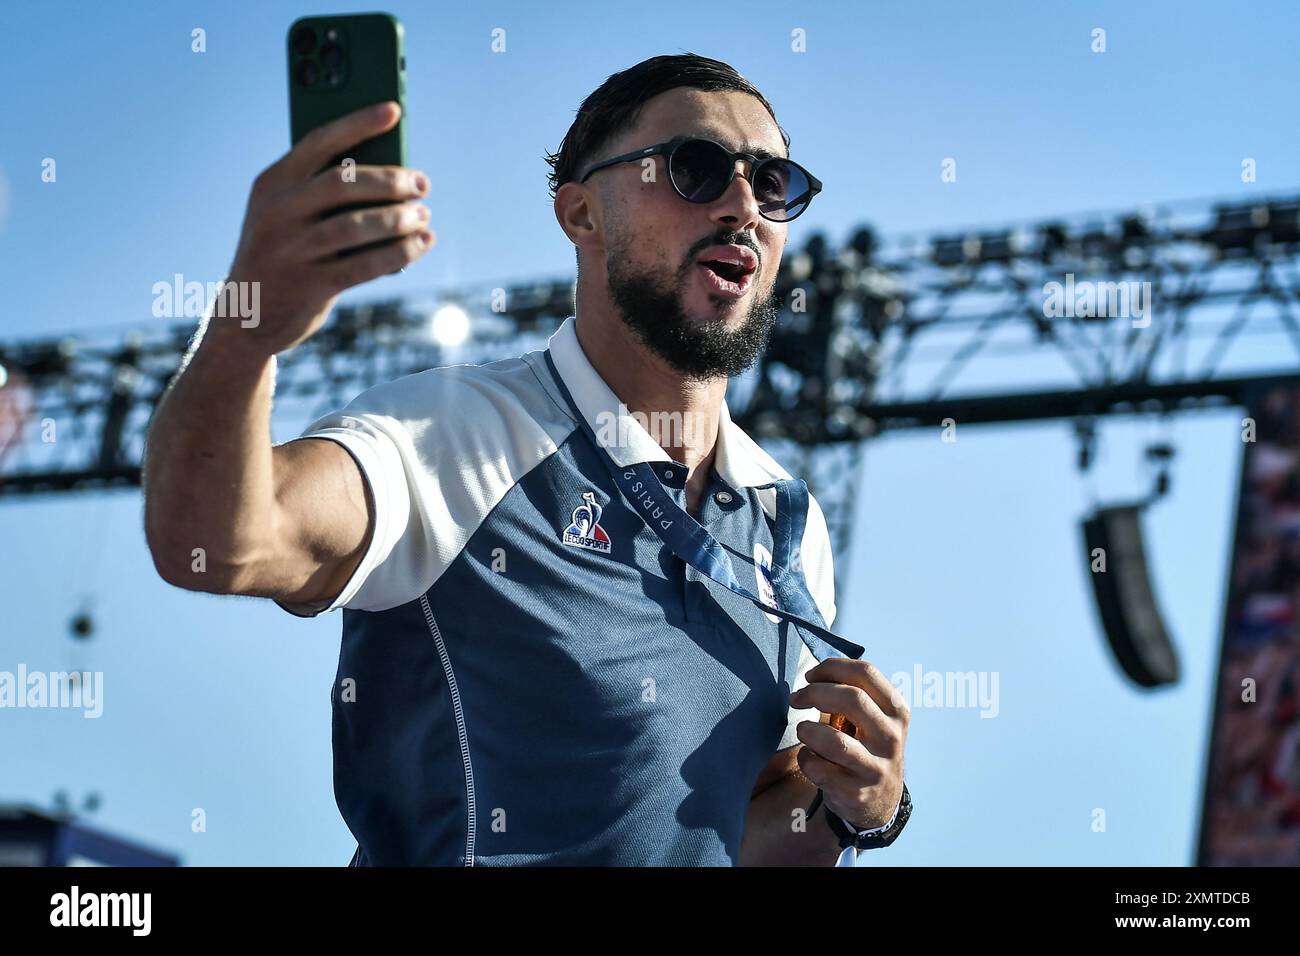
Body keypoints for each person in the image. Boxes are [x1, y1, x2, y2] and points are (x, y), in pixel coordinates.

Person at [143, 53, 910, 866]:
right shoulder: (455, 434)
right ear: (582, 214)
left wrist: (861, 811)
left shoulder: (786, 520)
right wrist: (250, 324)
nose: (743, 205)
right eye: (696, 168)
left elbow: (747, 824)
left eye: (772, 182)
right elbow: (214, 543)